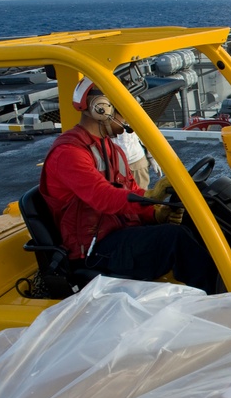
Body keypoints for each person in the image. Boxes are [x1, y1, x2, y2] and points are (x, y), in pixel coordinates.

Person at [40, 77, 220, 294]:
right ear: (101, 109)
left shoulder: (112, 150)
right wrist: (152, 196)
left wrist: (154, 214)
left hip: (117, 232)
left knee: (199, 219)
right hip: (94, 250)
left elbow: (129, 193)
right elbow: (102, 196)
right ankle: (217, 299)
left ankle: (227, 278)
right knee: (175, 239)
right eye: (122, 110)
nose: (127, 118)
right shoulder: (69, 153)